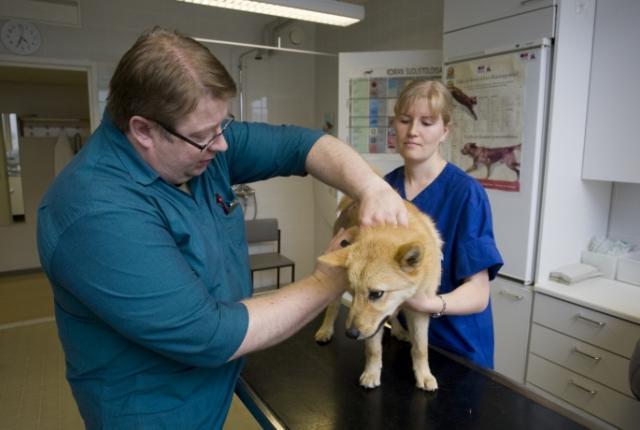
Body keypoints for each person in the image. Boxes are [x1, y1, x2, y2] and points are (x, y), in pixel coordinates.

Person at [36, 27, 407, 429]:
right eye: (202, 136)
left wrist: (372, 187)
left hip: (211, 394)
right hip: (152, 414)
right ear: (143, 130)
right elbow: (208, 334)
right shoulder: (94, 211)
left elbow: (302, 146)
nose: (222, 145)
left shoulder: (201, 148)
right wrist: (330, 279)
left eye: (222, 126)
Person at [387, 79, 503, 368]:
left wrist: (428, 305)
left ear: (445, 131)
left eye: (427, 122)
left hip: (457, 348)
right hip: (407, 340)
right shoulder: (384, 189)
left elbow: (478, 294)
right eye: (405, 120)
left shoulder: (465, 193)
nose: (413, 131)